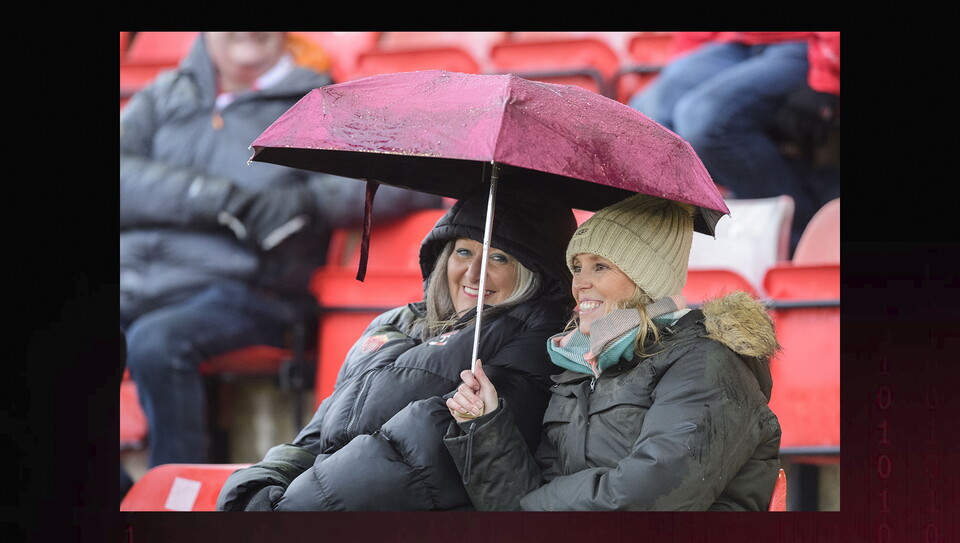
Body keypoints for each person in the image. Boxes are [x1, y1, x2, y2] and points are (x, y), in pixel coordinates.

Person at [120, 32, 440, 473]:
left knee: (157, 342)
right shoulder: (164, 94)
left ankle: (175, 491)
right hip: (141, 278)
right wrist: (214, 198)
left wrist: (310, 201)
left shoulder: (319, 99)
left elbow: (405, 177)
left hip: (252, 289)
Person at [216, 182, 578, 511]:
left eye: (499, 258)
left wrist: (294, 511)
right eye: (464, 252)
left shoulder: (534, 339)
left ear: (536, 273)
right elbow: (318, 434)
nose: (473, 273)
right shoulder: (394, 323)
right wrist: (262, 484)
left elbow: (420, 457)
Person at [444, 193, 782, 510]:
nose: (580, 283)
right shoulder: (579, 366)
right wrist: (486, 427)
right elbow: (521, 502)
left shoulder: (708, 361)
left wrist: (534, 505)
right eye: (577, 267)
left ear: (647, 278)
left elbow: (649, 496)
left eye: (600, 267)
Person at [628, 32, 840, 254]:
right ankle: (685, 240)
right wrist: (688, 61)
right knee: (643, 118)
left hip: (805, 44)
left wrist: (826, 74)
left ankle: (797, 236)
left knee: (701, 120)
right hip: (735, 42)